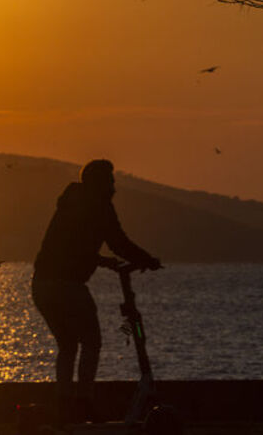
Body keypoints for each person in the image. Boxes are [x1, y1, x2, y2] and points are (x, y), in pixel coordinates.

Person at [31, 159, 161, 425]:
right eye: (110, 180)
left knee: (67, 345)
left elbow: (69, 246)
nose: (114, 186)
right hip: (68, 285)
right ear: (100, 182)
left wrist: (102, 261)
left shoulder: (70, 202)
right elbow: (118, 241)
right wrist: (147, 259)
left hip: (42, 284)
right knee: (91, 341)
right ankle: (84, 402)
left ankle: (64, 403)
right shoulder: (99, 205)